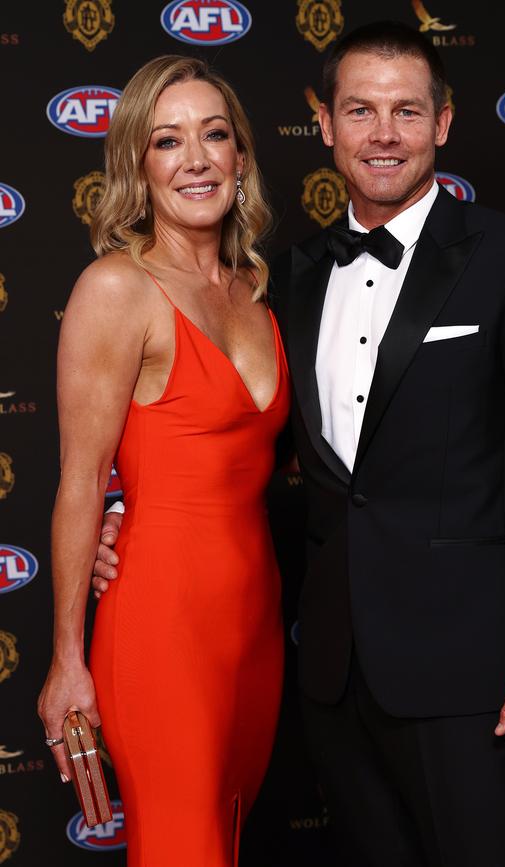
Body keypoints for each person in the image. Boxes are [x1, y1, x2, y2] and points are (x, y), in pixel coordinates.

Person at [93, 23, 505, 867]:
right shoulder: (286, 279)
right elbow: (229, 433)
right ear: (323, 123)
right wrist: (122, 513)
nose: (383, 134)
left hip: (471, 675)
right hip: (331, 674)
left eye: (407, 111)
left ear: (443, 123)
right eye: (360, 110)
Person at [38, 56, 289, 867]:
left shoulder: (255, 289)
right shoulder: (117, 288)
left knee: (230, 839)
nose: (196, 158)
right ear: (137, 168)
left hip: (255, 628)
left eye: (214, 135)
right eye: (166, 140)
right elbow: (81, 484)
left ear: (241, 157)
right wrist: (67, 661)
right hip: (160, 626)